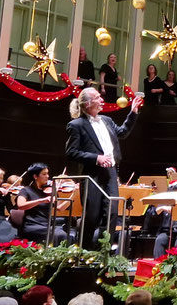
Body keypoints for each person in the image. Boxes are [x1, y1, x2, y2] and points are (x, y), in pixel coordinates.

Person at [65, 87, 143, 249]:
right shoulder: (76, 125)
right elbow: (71, 152)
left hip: (110, 173)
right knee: (92, 216)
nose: (102, 100)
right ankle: (84, 251)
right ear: (88, 103)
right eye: (98, 97)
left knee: (112, 214)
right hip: (91, 175)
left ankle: (103, 252)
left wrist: (133, 113)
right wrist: (96, 158)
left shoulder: (106, 120)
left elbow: (122, 132)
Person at [16, 163, 70, 245]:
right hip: (32, 226)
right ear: (35, 176)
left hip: (47, 226)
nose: (48, 176)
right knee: (55, 235)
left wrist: (73, 195)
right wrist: (41, 200)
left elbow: (60, 208)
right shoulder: (26, 190)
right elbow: (21, 206)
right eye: (44, 174)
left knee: (64, 235)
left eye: (47, 173)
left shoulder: (50, 191)